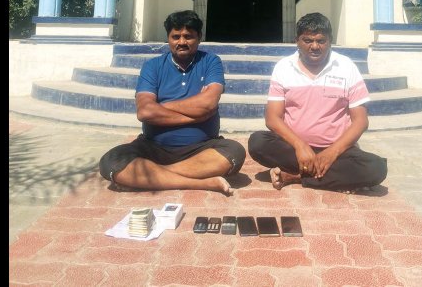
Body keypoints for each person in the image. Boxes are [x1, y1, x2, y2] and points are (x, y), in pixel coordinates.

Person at [99, 10, 245, 195]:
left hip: (201, 149)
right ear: (168, 38)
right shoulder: (152, 66)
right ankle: (202, 183)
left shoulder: (210, 61)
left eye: (188, 36)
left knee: (234, 152)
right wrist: (197, 116)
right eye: (176, 36)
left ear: (199, 37)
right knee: (111, 160)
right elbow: (145, 112)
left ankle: (151, 177)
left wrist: (159, 107)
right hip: (153, 148)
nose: (182, 42)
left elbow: (208, 104)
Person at [248, 12, 387, 192]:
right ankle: (331, 176)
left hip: (337, 150)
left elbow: (360, 121)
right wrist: (300, 146)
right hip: (294, 149)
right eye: (308, 40)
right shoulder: (283, 67)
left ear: (330, 41)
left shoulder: (346, 67)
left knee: (376, 168)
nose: (315, 46)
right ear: (297, 41)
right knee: (257, 142)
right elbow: (272, 118)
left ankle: (296, 177)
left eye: (321, 41)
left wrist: (332, 153)